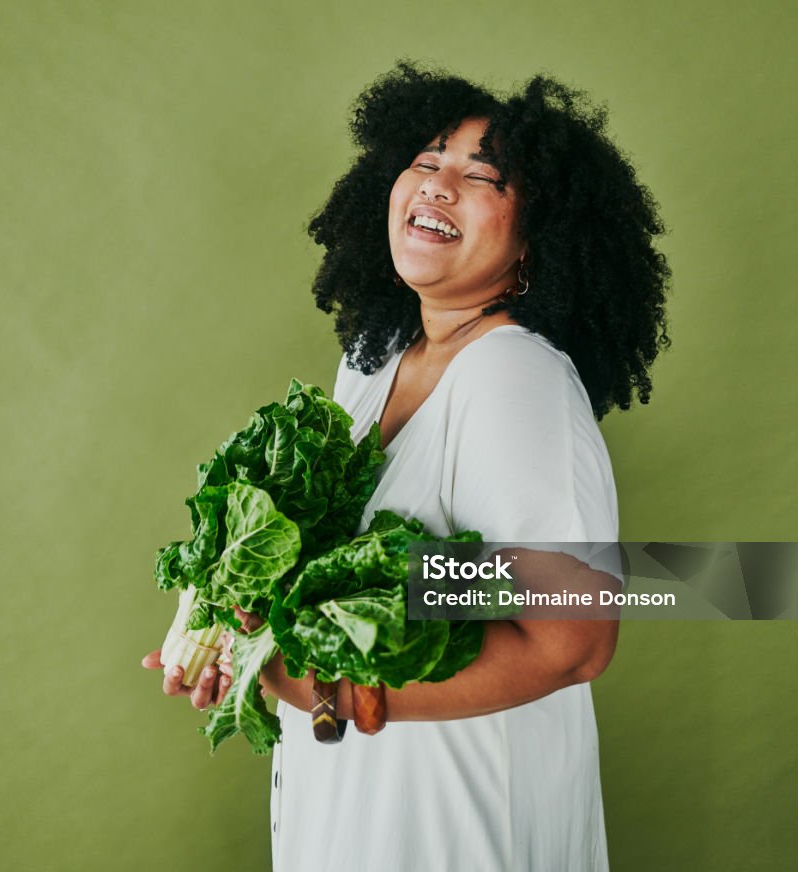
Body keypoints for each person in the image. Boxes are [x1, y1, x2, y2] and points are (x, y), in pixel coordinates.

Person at [144, 62, 670, 871]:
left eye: (480, 175)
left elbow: (574, 640)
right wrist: (243, 646)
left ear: (540, 236)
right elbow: (345, 585)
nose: (437, 185)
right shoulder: (372, 359)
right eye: (425, 162)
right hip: (354, 793)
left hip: (456, 814)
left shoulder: (513, 375)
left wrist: (335, 692)